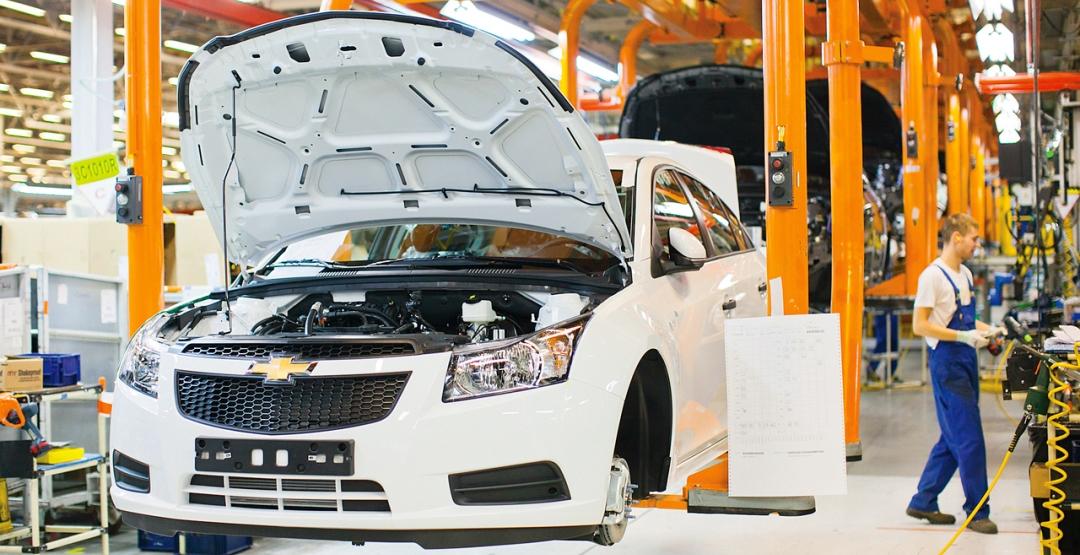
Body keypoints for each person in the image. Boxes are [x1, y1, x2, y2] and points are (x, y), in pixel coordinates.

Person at [906, 213, 1004, 534]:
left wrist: (990, 330)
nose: (977, 245)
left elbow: (966, 322)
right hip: (947, 364)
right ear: (956, 237)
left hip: (966, 361)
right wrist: (962, 337)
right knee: (970, 438)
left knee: (953, 437)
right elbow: (920, 325)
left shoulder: (965, 274)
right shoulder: (932, 277)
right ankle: (977, 511)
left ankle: (923, 500)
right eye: (974, 239)